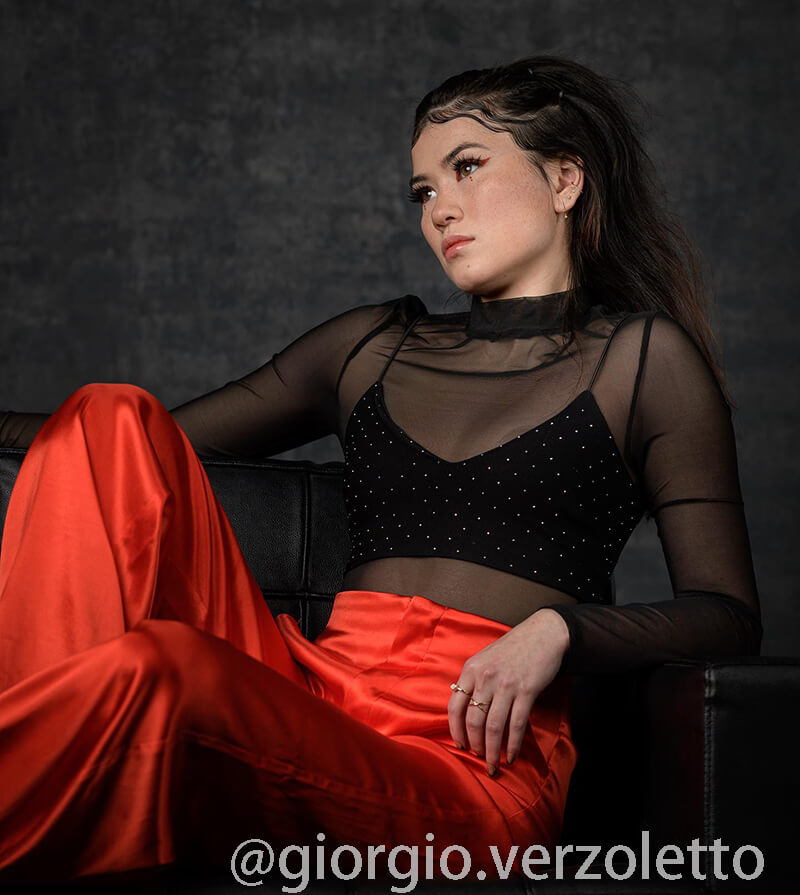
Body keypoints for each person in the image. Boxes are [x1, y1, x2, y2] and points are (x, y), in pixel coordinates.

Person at [0, 55, 761, 884]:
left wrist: (561, 630)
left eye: (466, 167)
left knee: (159, 667)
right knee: (109, 415)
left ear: (563, 179)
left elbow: (726, 614)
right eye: (423, 191)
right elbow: (135, 447)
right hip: (311, 700)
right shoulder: (373, 346)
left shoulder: (644, 361)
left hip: (463, 763)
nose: (440, 210)